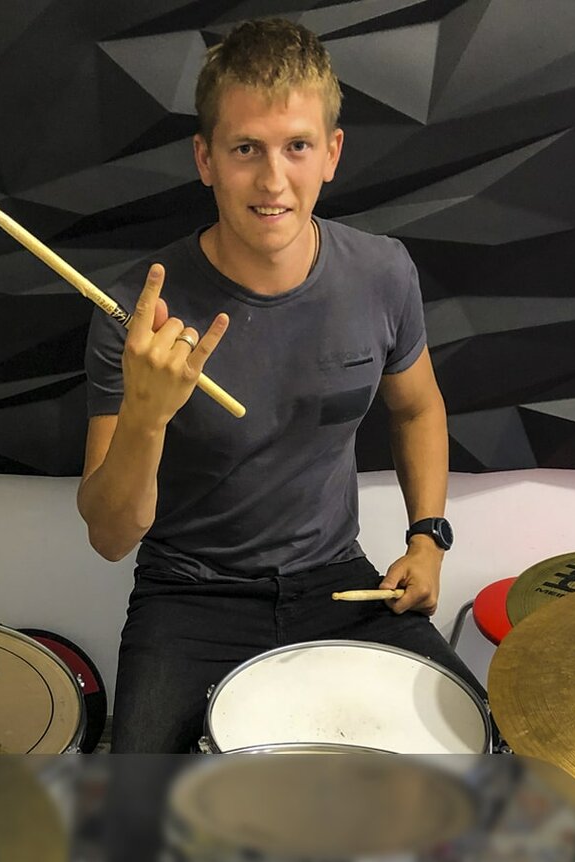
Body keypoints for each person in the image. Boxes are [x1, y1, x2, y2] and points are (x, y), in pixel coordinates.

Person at [78, 18, 480, 754]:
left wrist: (428, 539)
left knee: (477, 758)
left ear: (332, 153)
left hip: (337, 581)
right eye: (245, 150)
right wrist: (146, 416)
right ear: (205, 159)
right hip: (188, 595)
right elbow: (109, 537)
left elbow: (418, 408)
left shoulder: (383, 273)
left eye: (296, 146)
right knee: (140, 806)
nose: (272, 181)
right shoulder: (136, 311)